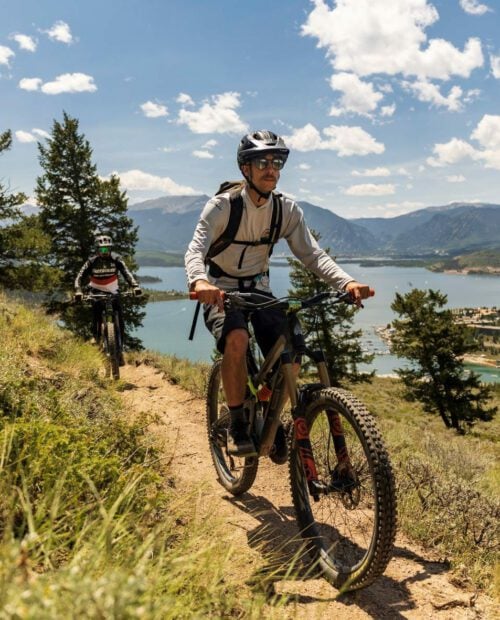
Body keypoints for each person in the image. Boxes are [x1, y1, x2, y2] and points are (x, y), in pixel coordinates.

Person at [185, 130, 372, 457]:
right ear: (246, 169)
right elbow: (195, 250)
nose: (270, 168)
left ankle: (270, 416)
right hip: (221, 289)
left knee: (293, 352)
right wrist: (200, 282)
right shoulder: (222, 207)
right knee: (237, 338)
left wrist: (346, 283)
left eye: (276, 162)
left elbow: (312, 255)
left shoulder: (285, 210)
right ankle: (238, 422)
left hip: (259, 290)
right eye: (261, 162)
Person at [74, 234, 142, 364]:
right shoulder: (91, 262)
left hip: (113, 292)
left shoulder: (116, 259)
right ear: (97, 249)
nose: (105, 252)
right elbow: (79, 277)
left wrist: (135, 286)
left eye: (107, 249)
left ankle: (120, 351)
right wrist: (78, 290)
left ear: (111, 248)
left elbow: (126, 273)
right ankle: (96, 338)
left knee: (120, 322)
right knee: (96, 315)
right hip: (96, 293)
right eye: (102, 249)